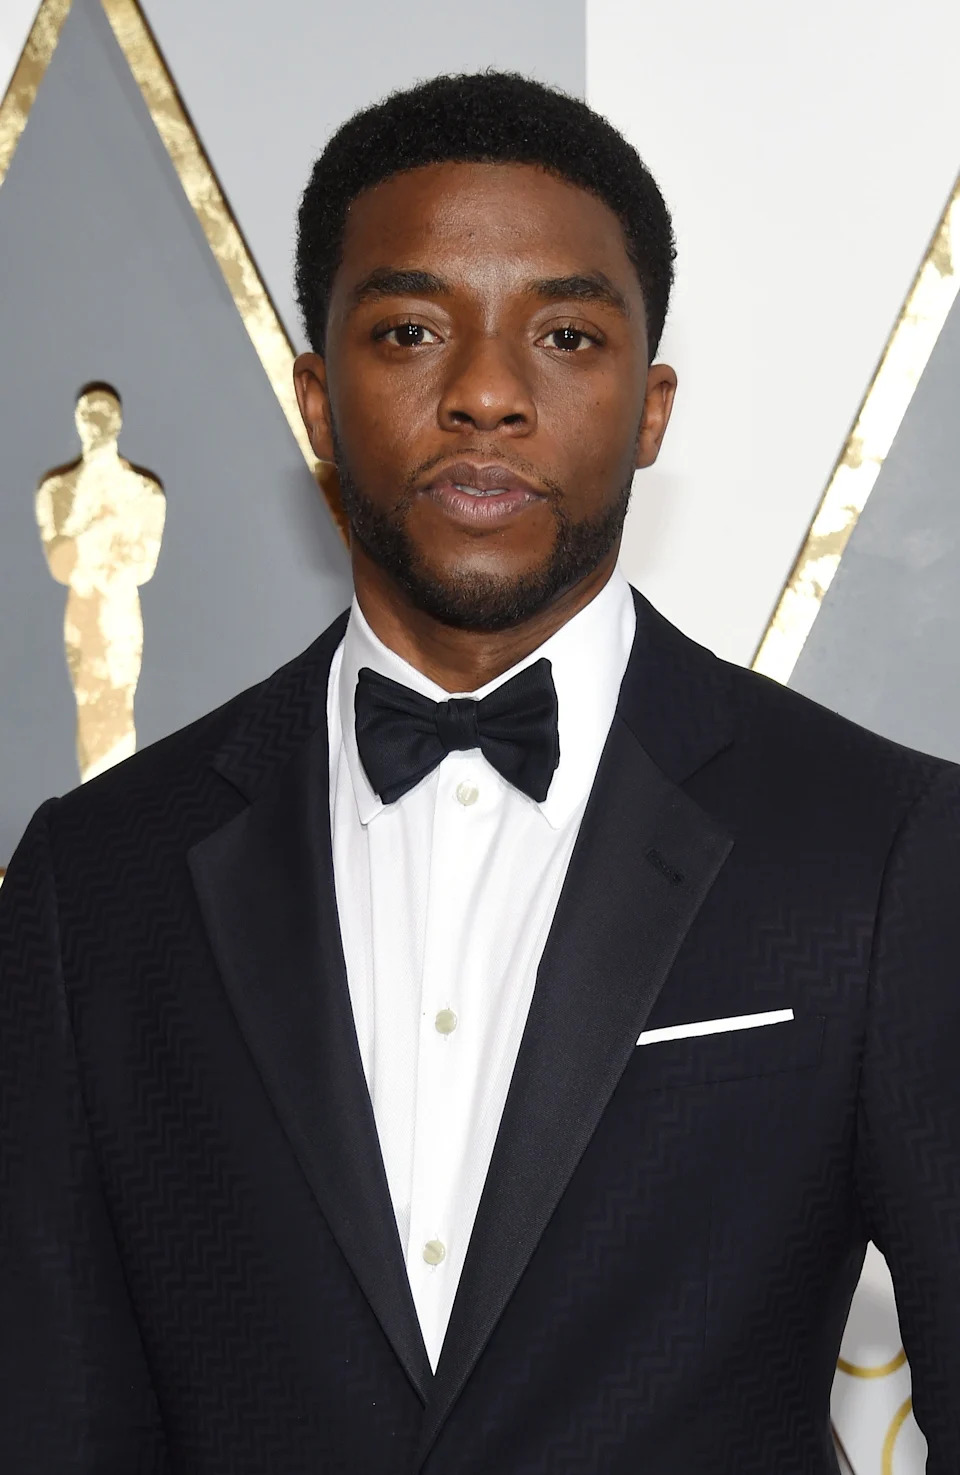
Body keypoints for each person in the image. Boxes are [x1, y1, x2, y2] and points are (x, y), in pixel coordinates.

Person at [1, 71, 957, 1475]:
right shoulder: (99, 880)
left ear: (651, 407)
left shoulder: (878, 845)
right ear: (318, 401)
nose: (488, 394)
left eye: (565, 334)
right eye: (410, 330)